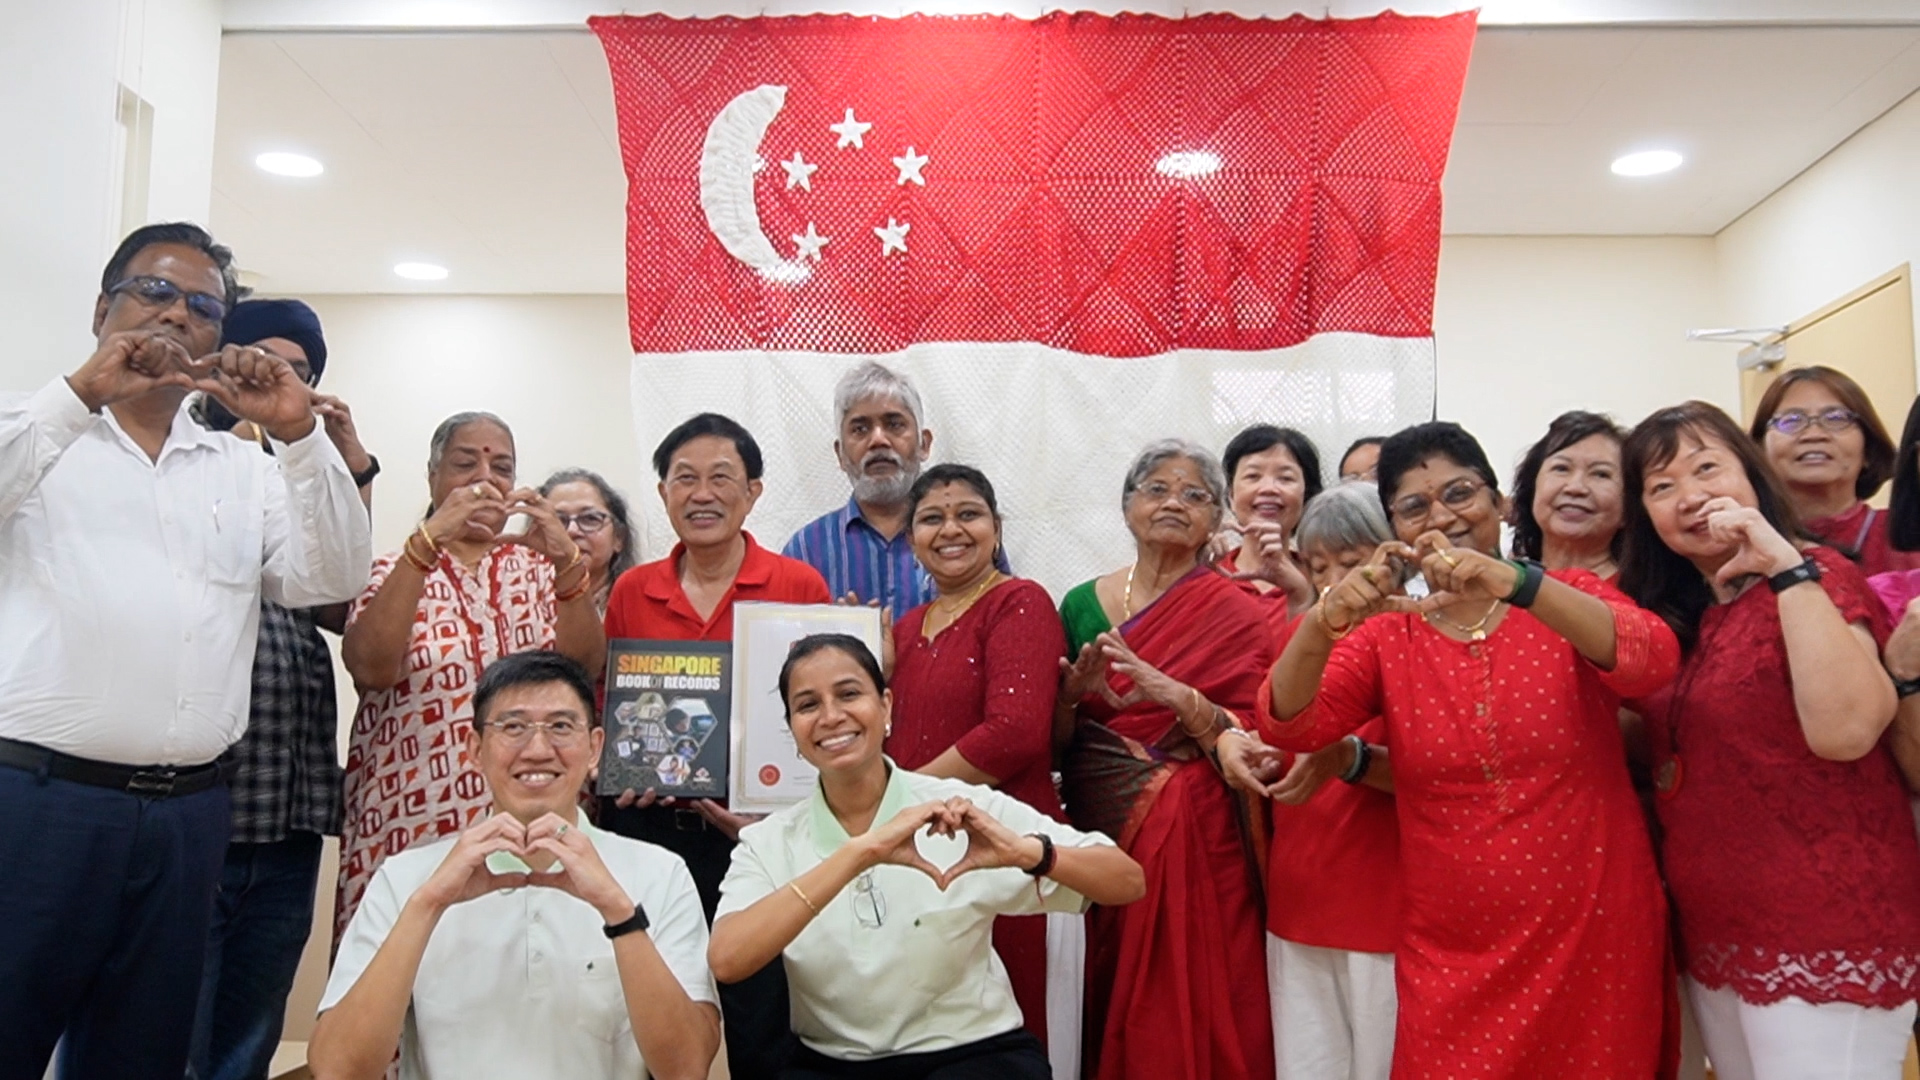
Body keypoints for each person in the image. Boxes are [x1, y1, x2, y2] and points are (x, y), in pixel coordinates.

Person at [0, 222, 372, 1080]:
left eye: (203, 308)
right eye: (153, 292)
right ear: (104, 307)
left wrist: (299, 439)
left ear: (218, 338)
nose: (175, 315)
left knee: (142, 1053)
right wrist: (83, 393)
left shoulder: (241, 471)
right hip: (41, 804)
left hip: (192, 814)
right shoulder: (35, 429)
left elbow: (333, 573)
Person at [1260, 420, 1677, 1077]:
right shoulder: (1389, 635)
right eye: (1415, 505)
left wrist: (1518, 584)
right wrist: (1324, 618)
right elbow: (1291, 724)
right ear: (1395, 526)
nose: (1442, 516)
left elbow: (1650, 660)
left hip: (1592, 925)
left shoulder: (1568, 600)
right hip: (1454, 944)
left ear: (1500, 504)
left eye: (1460, 493)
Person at [1619, 401, 1920, 1079]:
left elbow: (1845, 731)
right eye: (1662, 487)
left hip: (1825, 922)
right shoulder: (1679, 616)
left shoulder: (1819, 575)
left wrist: (1785, 567)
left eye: (1707, 469)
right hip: (1715, 926)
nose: (1691, 496)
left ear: (1751, 477)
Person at [708, 634, 1144, 1080]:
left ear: (887, 706)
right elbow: (727, 959)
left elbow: (1127, 882)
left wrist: (1025, 852)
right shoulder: (769, 841)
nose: (831, 716)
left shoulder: (963, 809)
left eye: (849, 694)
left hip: (973, 1056)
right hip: (833, 1063)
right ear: (793, 731)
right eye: (807, 705)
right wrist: (860, 853)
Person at [310, 651, 720, 1080]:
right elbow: (338, 1070)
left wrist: (619, 914)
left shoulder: (658, 872)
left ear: (596, 747)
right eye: (513, 727)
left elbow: (687, 1069)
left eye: (561, 726)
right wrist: (428, 904)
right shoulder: (406, 878)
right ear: (475, 749)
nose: (539, 749)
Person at [601, 411, 831, 1077]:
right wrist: (626, 765)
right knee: (651, 1005)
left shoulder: (798, 587)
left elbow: (810, 716)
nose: (702, 494)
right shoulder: (631, 590)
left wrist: (774, 815)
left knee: (764, 1014)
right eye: (684, 479)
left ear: (753, 491)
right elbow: (621, 714)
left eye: (721, 478)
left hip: (760, 835)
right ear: (664, 492)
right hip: (647, 831)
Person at [189, 298, 379, 1080]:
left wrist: (347, 465)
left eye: (298, 372)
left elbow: (341, 602)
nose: (276, 379)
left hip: (288, 809)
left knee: (248, 1035)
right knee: (160, 1033)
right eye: (261, 360)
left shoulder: (298, 476)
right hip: (187, 808)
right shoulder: (171, 466)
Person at [336, 411, 605, 942]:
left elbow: (583, 672)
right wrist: (427, 542)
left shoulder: (539, 572)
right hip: (409, 820)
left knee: (526, 965)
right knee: (398, 975)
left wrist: (568, 565)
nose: (485, 479)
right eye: (465, 464)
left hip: (529, 817)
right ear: (433, 476)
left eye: (501, 467)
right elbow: (369, 668)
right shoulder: (391, 569)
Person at [1054, 439, 1275, 1080]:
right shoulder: (1079, 605)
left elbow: (1258, 731)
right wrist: (1071, 700)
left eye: (1194, 494)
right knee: (1109, 971)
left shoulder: (1239, 611)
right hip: (1098, 816)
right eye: (1156, 488)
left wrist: (1179, 698)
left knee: (1198, 984)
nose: (1173, 502)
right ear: (1127, 508)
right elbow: (1056, 739)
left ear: (1215, 519)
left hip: (1197, 822)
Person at [885, 463, 1073, 1068]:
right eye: (931, 518)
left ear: (997, 528)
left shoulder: (1020, 602)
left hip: (1007, 849)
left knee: (1011, 1026)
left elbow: (1013, 734)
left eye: (968, 514)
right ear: (911, 536)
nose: (950, 529)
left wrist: (906, 801)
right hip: (923, 851)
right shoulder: (907, 627)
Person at [1217, 482, 1401, 1080]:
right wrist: (1238, 746)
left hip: (1386, 901)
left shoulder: (1423, 637)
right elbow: (1266, 725)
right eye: (1319, 565)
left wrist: (1345, 759)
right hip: (1298, 895)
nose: (1335, 581)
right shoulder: (1302, 637)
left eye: (1353, 561)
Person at [784, 362, 941, 618]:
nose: (878, 440)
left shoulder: (962, 540)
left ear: (924, 444)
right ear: (841, 455)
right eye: (860, 429)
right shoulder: (806, 550)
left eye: (894, 424)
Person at [1748, 365, 1918, 576]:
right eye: (1791, 420)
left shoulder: (1907, 537)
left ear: (1868, 450)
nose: (1814, 434)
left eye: (1836, 419)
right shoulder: (1745, 543)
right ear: (1758, 450)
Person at [1508, 410, 1628, 579]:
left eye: (1600, 474)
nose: (1575, 487)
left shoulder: (1645, 596)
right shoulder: (1502, 587)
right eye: (1561, 468)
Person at [1217, 424, 1321, 615]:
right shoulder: (1208, 573)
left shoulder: (1322, 575)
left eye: (1285, 478)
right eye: (1253, 476)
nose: (1268, 488)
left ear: (1307, 496)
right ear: (1231, 495)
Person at [541, 467, 639, 618]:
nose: (572, 531)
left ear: (618, 537)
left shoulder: (642, 607)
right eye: (558, 521)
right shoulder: (518, 609)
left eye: (590, 519)